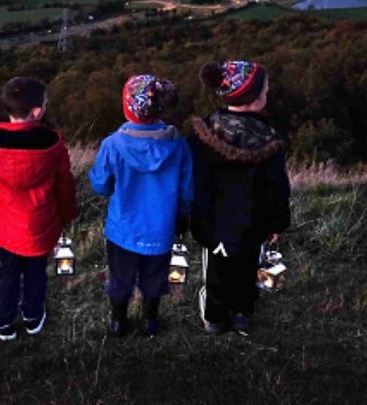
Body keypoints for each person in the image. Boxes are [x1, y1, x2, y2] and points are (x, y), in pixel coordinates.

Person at [187, 60, 291, 336]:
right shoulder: (270, 141)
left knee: (217, 272)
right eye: (265, 90)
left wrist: (191, 215)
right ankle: (243, 313)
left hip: (213, 222)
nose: (267, 94)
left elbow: (194, 180)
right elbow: (276, 187)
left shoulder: (201, 134)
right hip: (252, 223)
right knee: (247, 269)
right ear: (255, 98)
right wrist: (278, 223)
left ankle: (216, 319)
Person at [0, 77, 77, 341]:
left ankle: (4, 322)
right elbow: (64, 184)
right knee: (36, 272)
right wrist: (66, 215)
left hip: (4, 226)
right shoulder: (52, 143)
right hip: (41, 224)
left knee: (7, 273)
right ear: (38, 111)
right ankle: (32, 316)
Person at [88, 74, 194, 337]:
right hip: (161, 229)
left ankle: (118, 322)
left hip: (123, 230)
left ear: (127, 106)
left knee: (120, 278)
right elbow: (187, 190)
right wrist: (182, 215)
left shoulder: (112, 144)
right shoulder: (178, 145)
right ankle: (151, 321)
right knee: (155, 278)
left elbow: (100, 185)